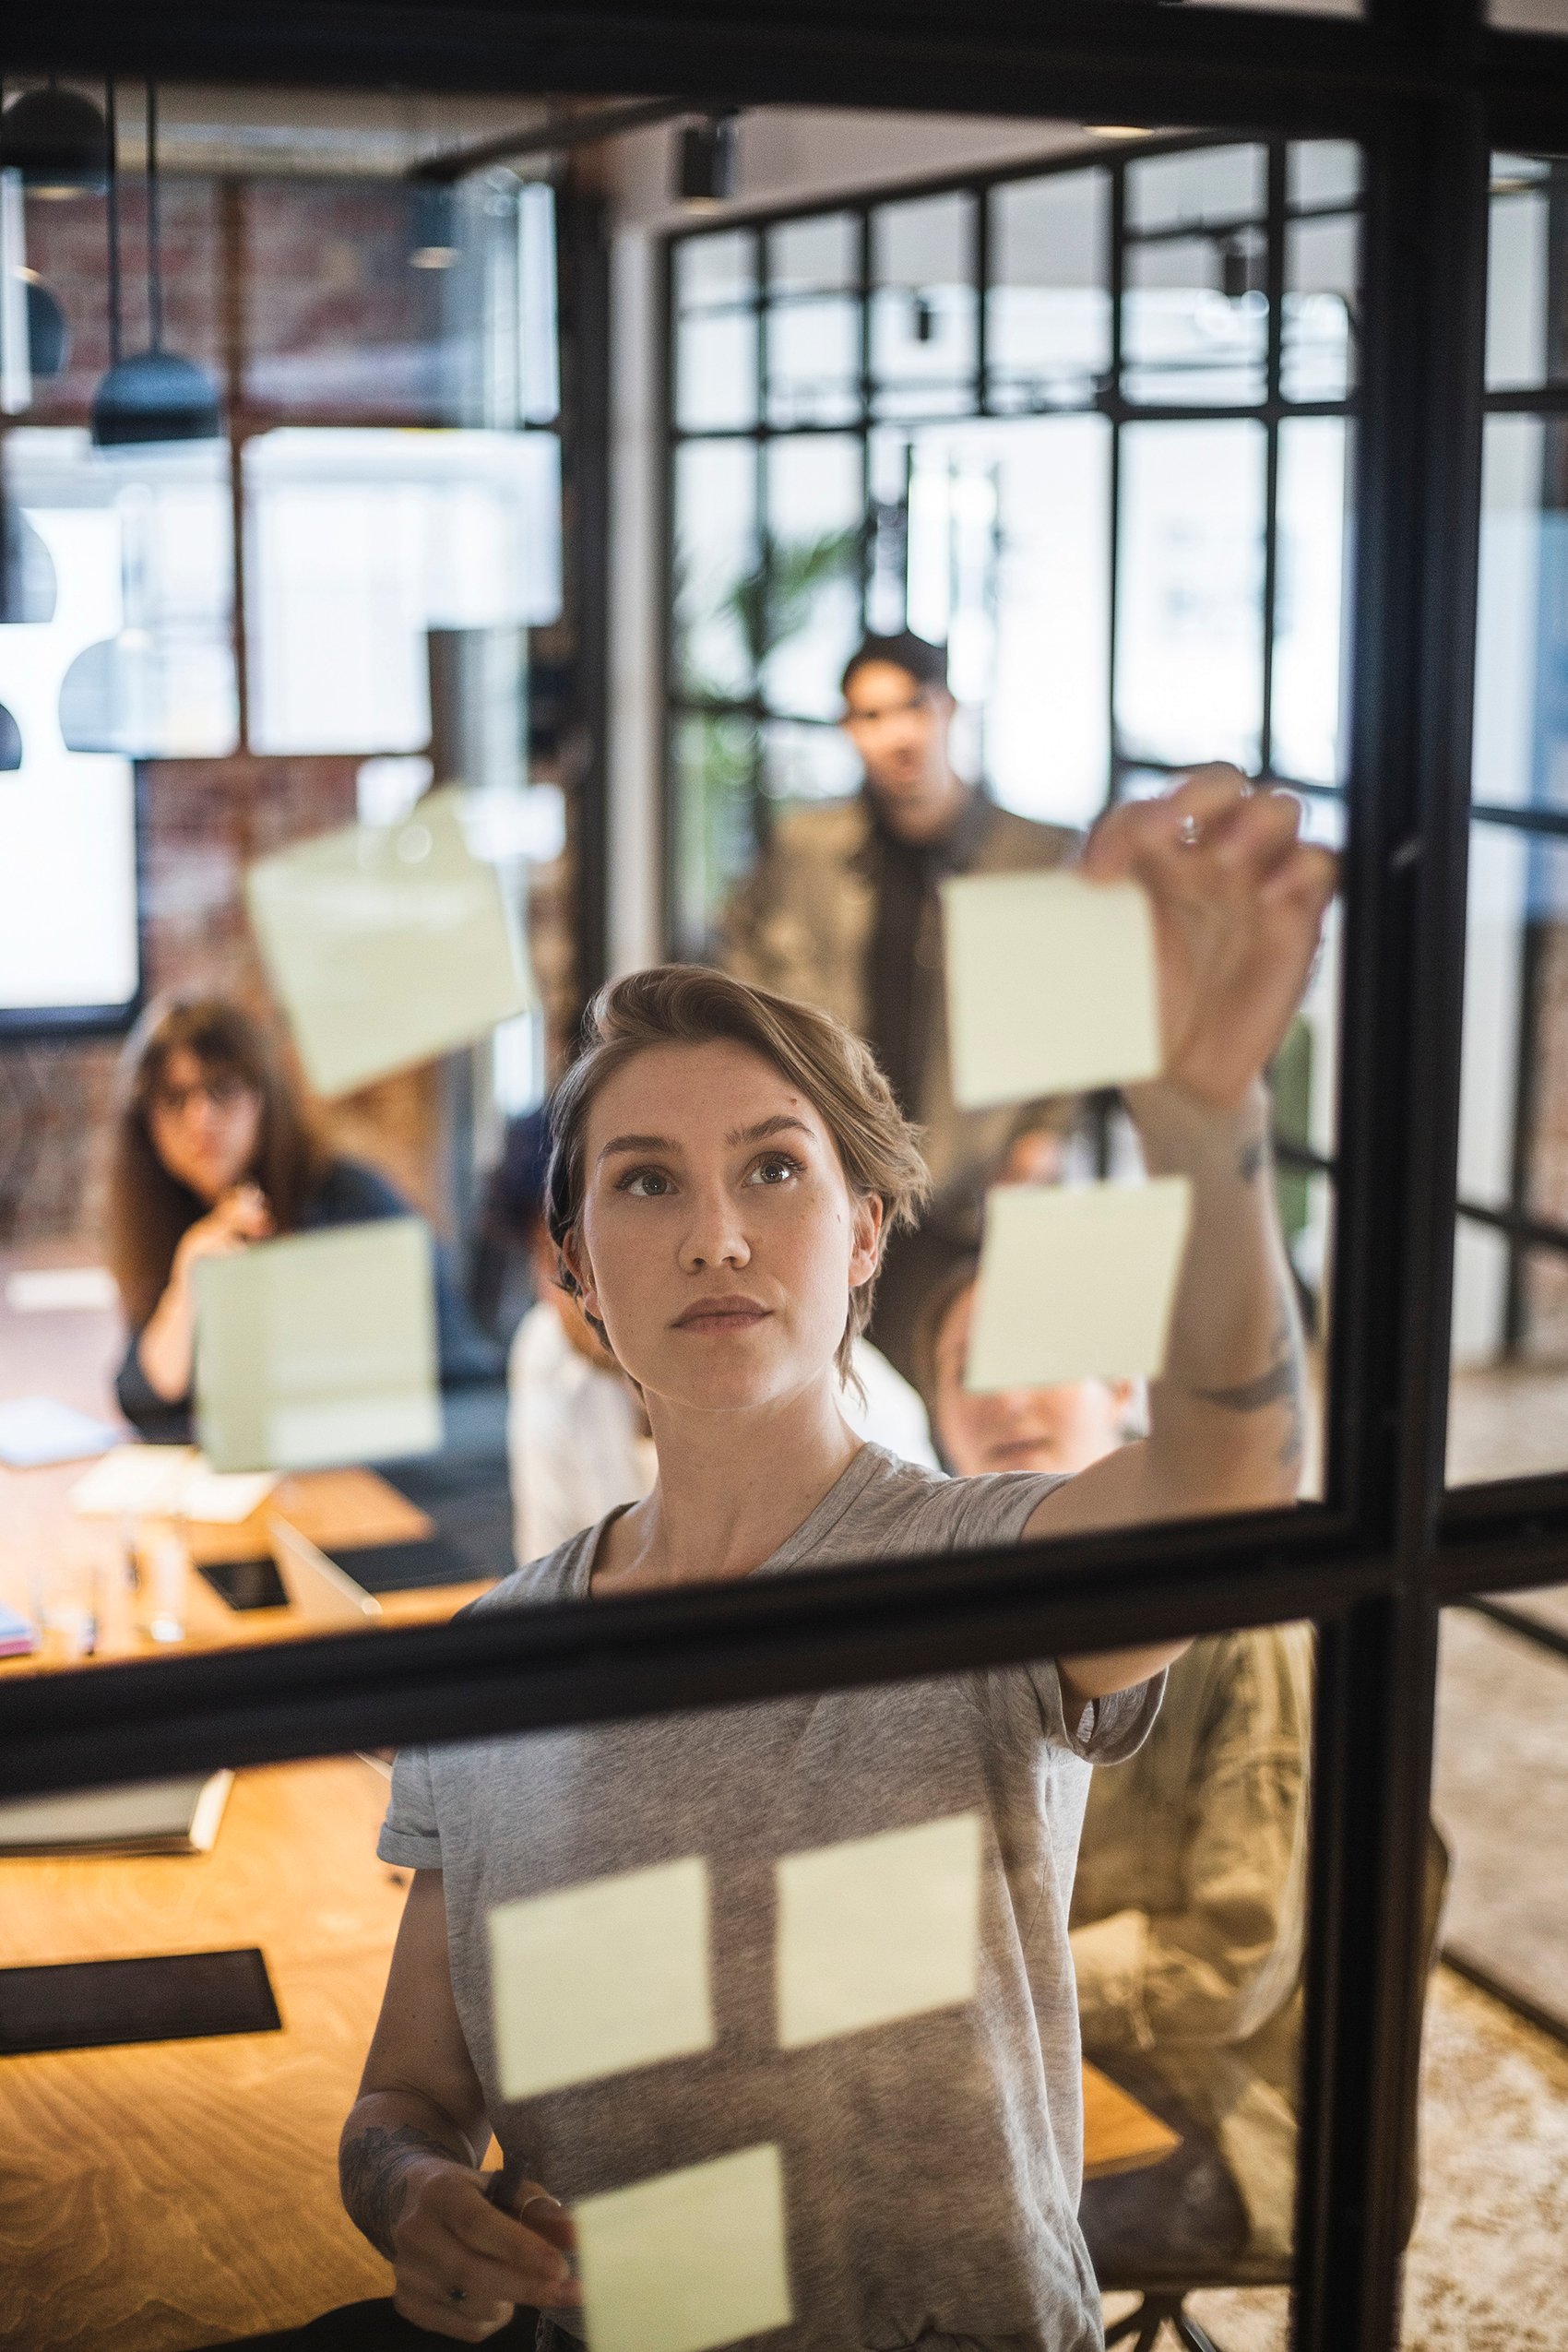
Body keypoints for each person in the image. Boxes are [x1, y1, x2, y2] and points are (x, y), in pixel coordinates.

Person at [340, 769, 1335, 2349]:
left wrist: (1203, 1110)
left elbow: (1234, 1489)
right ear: (578, 1267)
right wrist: (409, 2192)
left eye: (777, 1169)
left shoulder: (970, 1571)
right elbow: (410, 2092)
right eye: (646, 1180)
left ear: (867, 1235)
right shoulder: (492, 1655)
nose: (718, 1236)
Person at [921, 1259, 1313, 2269]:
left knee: (894, 2240)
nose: (1002, 1395)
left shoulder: (1234, 1611)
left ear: (1122, 1386)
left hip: (1211, 2110)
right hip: (1006, 2071)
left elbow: (1233, 1960)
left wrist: (987, 1981)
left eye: (1035, 1355)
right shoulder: (943, 1613)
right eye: (968, 1366)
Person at [719, 632, 1082, 1378]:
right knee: (833, 1391)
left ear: (947, 709)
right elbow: (745, 979)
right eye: (870, 716)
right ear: (851, 731)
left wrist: (1041, 1139)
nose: (898, 734)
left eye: (913, 707)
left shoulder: (1038, 855)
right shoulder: (807, 852)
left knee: (959, 1399)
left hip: (972, 1192)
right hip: (840, 1176)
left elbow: (1072, 1025)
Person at [505, 1134, 940, 1564]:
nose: (572, 1287)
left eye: (772, 1174)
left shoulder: (865, 1416)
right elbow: (548, 1580)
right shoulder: (547, 1352)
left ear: (861, 1233)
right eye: (553, 1258)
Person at [105, 995, 496, 1443]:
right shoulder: (178, 1224)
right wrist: (187, 1284)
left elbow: (448, 1383)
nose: (201, 1117)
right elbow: (145, 1399)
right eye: (174, 1099)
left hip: (415, 1469)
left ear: (263, 1097)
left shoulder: (347, 1202)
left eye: (222, 1089)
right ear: (145, 1121)